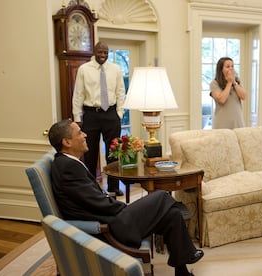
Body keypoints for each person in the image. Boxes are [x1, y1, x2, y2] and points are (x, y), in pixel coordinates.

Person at [48, 119, 204, 276]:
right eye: (79, 133)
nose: (85, 135)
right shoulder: (68, 167)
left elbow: (92, 199)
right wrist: (126, 209)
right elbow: (96, 203)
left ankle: (182, 272)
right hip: (110, 227)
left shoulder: (68, 163)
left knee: (172, 214)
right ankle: (187, 250)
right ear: (67, 142)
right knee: (162, 196)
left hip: (110, 218)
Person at [72, 41, 125, 196]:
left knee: (113, 153)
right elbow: (78, 94)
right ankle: (92, 188)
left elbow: (121, 91)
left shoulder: (115, 69)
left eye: (106, 52)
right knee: (90, 152)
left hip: (111, 115)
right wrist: (77, 117)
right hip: (91, 115)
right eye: (100, 52)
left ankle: (113, 187)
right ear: (94, 51)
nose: (103, 55)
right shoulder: (84, 69)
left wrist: (119, 113)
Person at [210, 57, 246, 129]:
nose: (231, 68)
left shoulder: (237, 81)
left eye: (232, 66)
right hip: (222, 125)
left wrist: (234, 83)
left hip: (238, 123)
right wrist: (229, 83)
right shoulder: (214, 83)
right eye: (228, 66)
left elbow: (243, 96)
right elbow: (222, 99)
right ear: (221, 70)